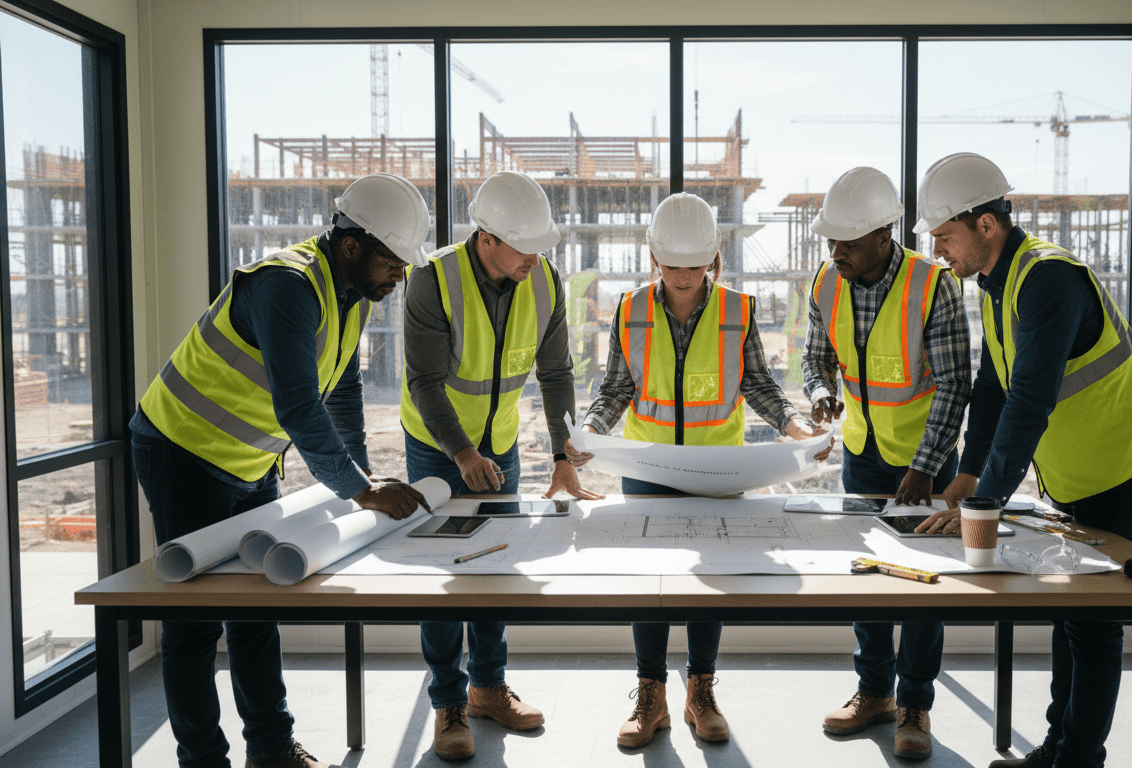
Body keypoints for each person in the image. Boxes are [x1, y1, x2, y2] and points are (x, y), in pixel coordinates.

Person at [130, 173, 432, 768]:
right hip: (183, 450)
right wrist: (361, 490)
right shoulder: (287, 286)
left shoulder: (349, 294)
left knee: (255, 609)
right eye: (393, 263)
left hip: (250, 459)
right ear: (352, 245)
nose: (399, 276)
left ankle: (270, 749)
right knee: (194, 623)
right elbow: (299, 407)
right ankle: (202, 761)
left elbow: (341, 387)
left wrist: (361, 479)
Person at [912, 152, 1132, 768]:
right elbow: (993, 388)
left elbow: (1030, 401)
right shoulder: (997, 283)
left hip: (1126, 462)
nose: (938, 251)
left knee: (1092, 620)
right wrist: (969, 475)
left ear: (985, 224)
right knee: (1070, 606)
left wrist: (985, 505)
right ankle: (1059, 747)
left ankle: (1078, 759)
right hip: (1079, 471)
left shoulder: (1048, 279)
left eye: (945, 236)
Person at [572, 192, 826, 749]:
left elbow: (758, 384)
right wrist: (590, 431)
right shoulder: (630, 309)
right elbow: (616, 388)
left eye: (695, 266)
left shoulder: (739, 310)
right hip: (649, 465)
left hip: (718, 469)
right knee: (650, 585)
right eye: (672, 266)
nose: (684, 278)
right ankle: (651, 693)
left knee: (714, 582)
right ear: (654, 258)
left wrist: (795, 428)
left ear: (713, 258)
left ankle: (701, 690)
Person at [401, 170, 604, 761]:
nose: (535, 258)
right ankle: (448, 702)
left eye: (541, 246)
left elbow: (556, 374)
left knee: (496, 567)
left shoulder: (544, 279)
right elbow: (425, 382)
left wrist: (564, 456)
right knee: (444, 576)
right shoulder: (432, 280)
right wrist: (461, 452)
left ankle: (488, 687)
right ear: (486, 238)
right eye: (524, 247)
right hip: (437, 447)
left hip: (501, 444)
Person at [802, 166, 973, 760]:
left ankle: (915, 704)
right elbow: (816, 357)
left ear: (884, 234)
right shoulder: (827, 281)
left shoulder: (933, 285)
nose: (836, 251)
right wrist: (821, 391)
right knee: (867, 579)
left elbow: (955, 383)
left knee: (923, 586)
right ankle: (874, 691)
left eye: (848, 241)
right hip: (862, 455)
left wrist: (925, 467)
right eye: (831, 239)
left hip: (925, 460)